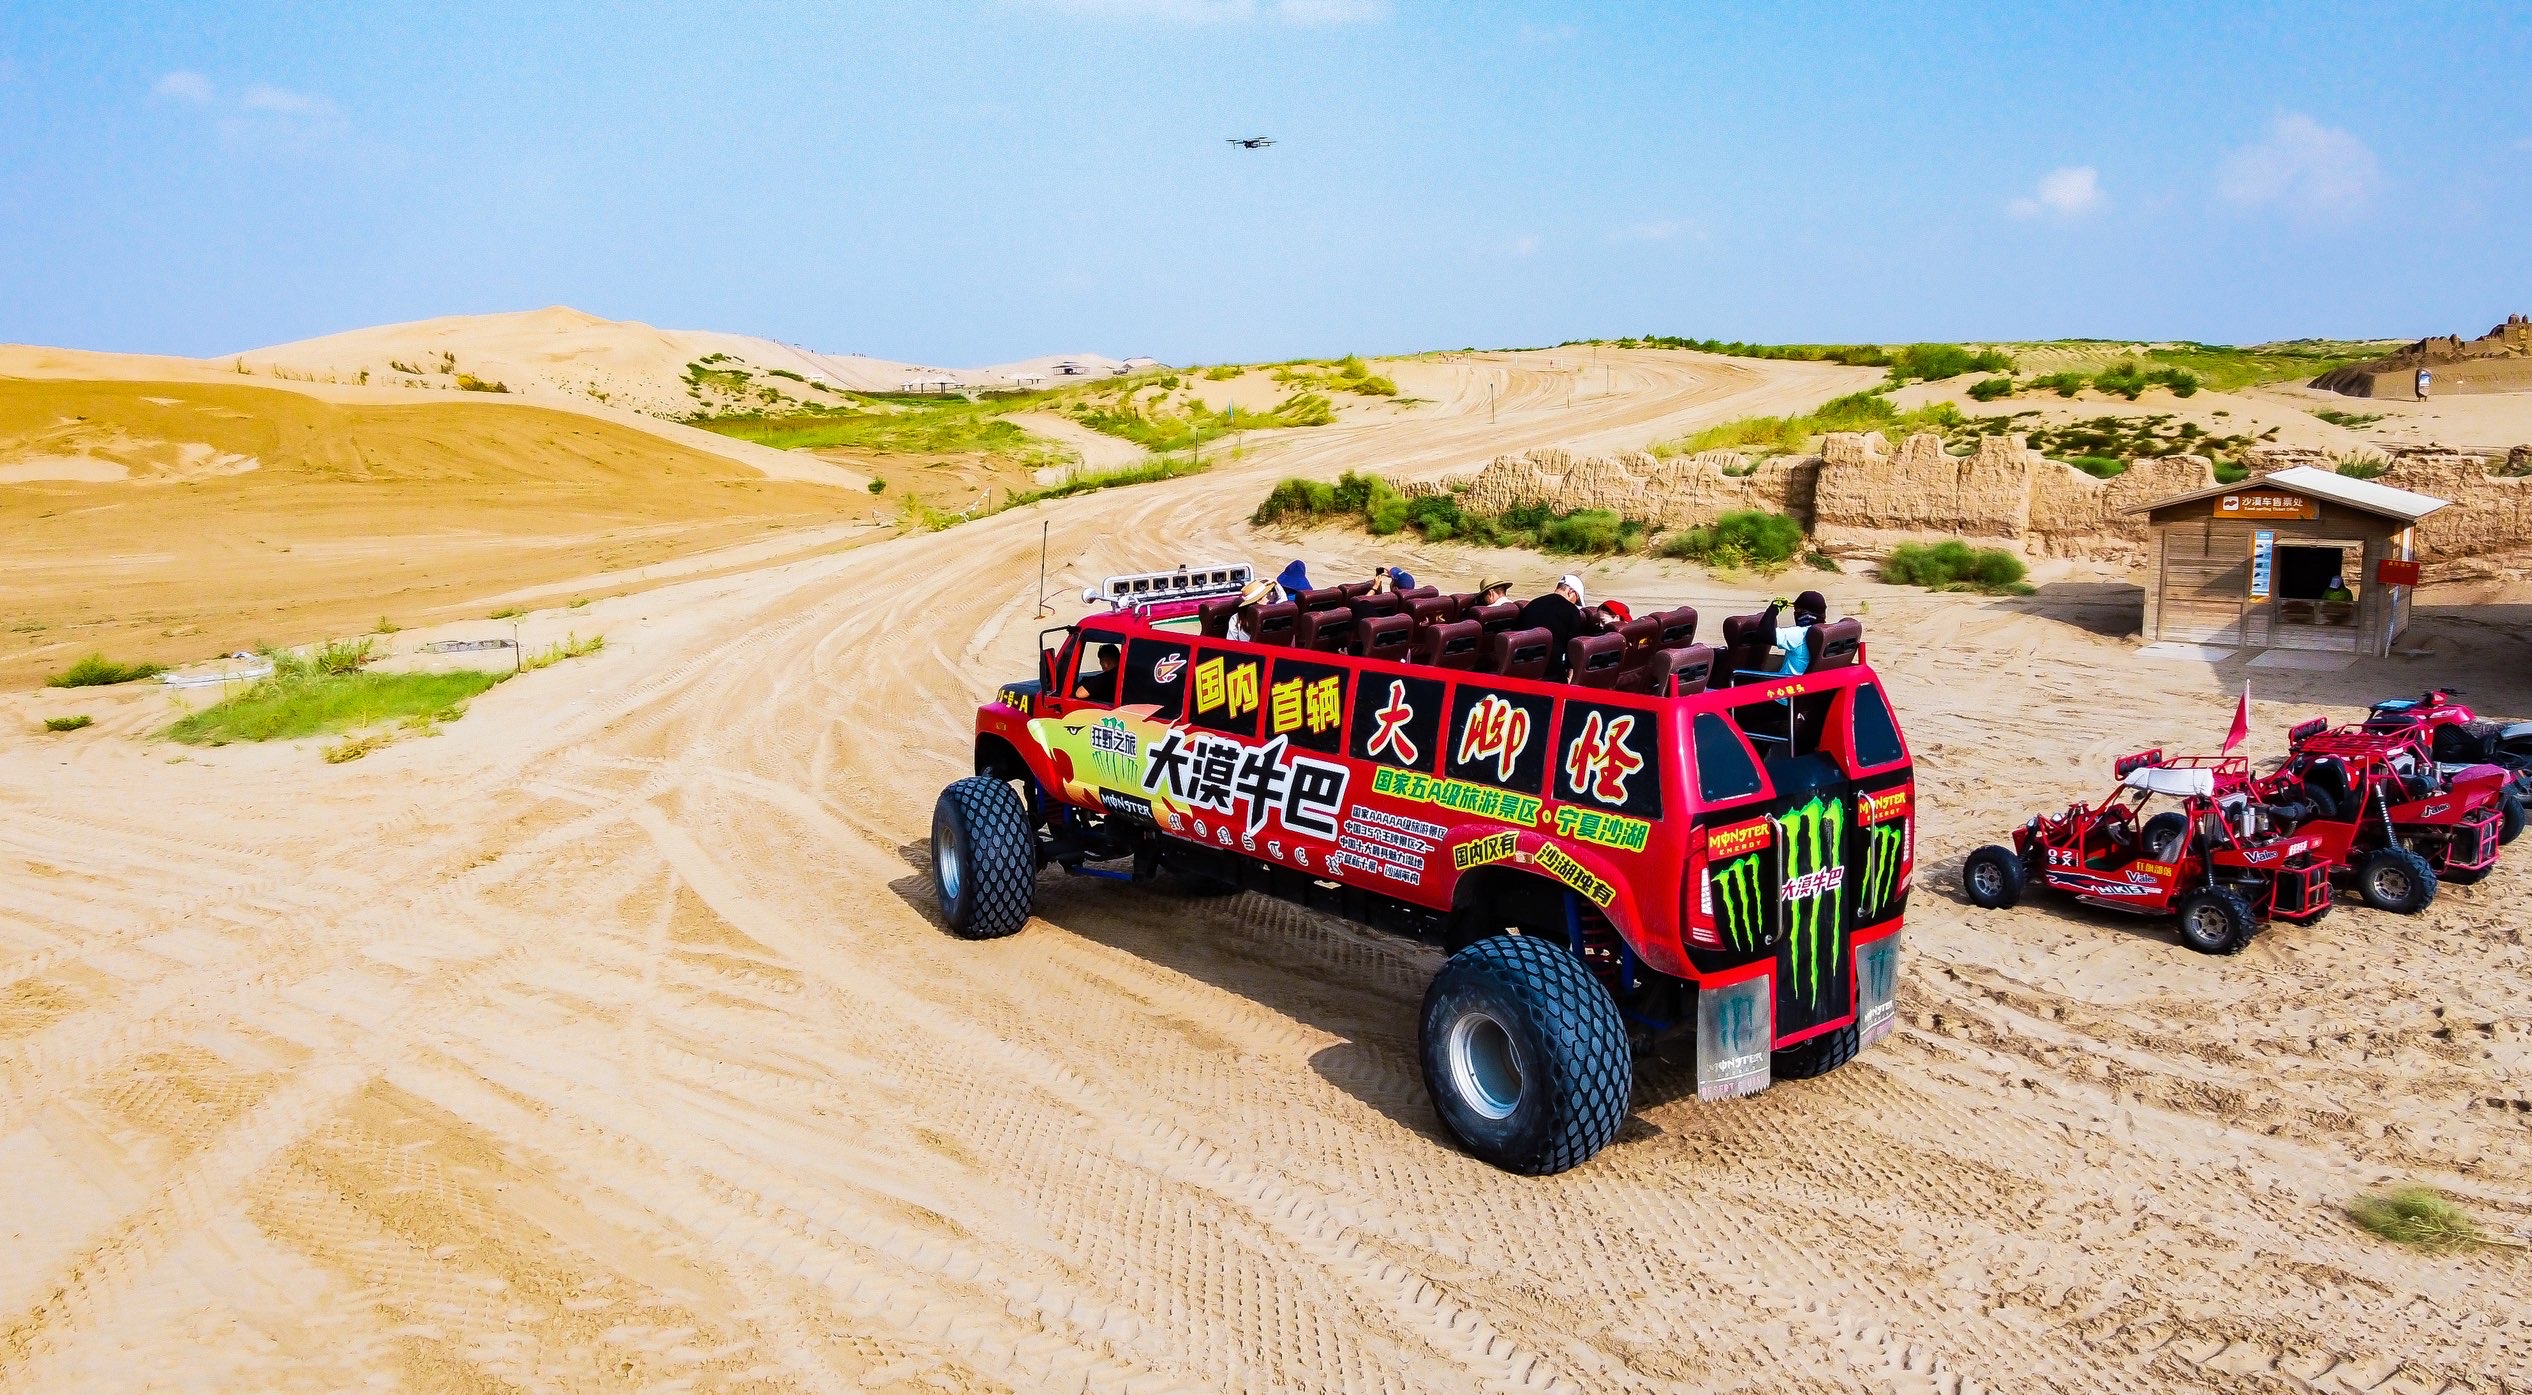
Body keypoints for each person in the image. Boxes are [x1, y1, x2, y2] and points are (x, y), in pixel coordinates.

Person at [1515, 574, 1589, 678]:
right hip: (1552, 674)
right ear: (1570, 592)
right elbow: (1574, 649)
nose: (1575, 603)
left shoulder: (1532, 604)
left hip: (1521, 667)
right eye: (1576, 599)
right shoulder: (1572, 611)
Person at [1226, 578, 1281, 642]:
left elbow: (1283, 602)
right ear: (1258, 600)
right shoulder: (1236, 619)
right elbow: (1231, 644)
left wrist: (1277, 585)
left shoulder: (1274, 612)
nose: (1271, 597)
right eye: (1267, 595)